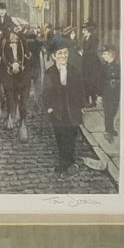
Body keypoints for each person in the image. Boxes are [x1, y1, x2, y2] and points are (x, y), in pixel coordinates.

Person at [40, 44, 88, 175]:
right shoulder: (50, 72)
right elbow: (45, 92)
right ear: (54, 56)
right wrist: (48, 107)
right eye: (60, 54)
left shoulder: (75, 70)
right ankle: (65, 163)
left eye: (65, 53)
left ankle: (69, 163)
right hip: (57, 111)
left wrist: (82, 106)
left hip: (72, 110)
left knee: (71, 136)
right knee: (60, 137)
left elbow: (81, 90)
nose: (63, 56)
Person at [100, 46, 121, 139]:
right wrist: (99, 95)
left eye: (104, 54)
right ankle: (108, 130)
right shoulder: (103, 67)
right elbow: (99, 81)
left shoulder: (118, 66)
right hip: (106, 93)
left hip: (115, 92)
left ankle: (111, 129)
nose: (102, 56)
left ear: (111, 54)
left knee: (114, 111)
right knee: (108, 112)